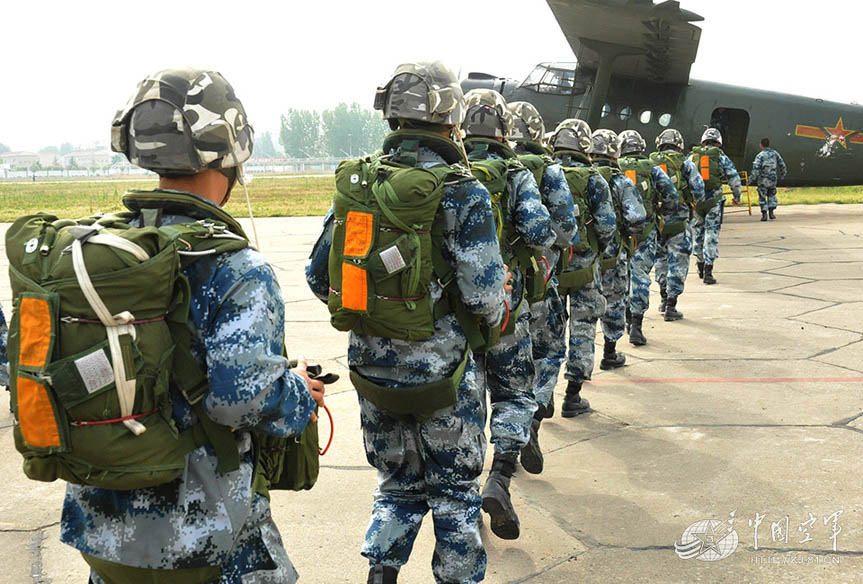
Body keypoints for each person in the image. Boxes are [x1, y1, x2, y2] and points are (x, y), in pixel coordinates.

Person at [61, 68, 323, 584]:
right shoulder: (237, 268)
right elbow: (241, 399)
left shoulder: (101, 253)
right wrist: (299, 392)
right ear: (230, 147)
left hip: (107, 539)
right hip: (208, 543)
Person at [306, 61, 507, 584]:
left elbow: (316, 275)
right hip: (445, 377)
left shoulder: (360, 188)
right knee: (456, 493)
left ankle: (381, 576)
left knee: (396, 485)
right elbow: (485, 296)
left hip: (371, 373)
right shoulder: (463, 190)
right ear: (449, 117)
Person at [461, 89, 555, 540]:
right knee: (515, 395)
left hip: (454, 316)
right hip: (504, 310)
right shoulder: (515, 174)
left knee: (468, 404)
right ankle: (499, 477)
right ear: (502, 129)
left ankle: (464, 510)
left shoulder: (451, 171)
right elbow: (540, 231)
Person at [507, 101, 578, 474]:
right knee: (548, 354)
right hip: (533, 287)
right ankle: (530, 420)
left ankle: (498, 458)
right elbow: (566, 233)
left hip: (479, 294)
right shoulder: (546, 170)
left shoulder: (465, 168)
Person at [550, 119, 616, 417]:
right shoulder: (593, 178)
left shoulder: (540, 173)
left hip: (547, 270)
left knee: (546, 336)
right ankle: (572, 396)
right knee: (582, 329)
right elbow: (607, 226)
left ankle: (542, 396)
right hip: (584, 269)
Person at [617, 130, 679, 345]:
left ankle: (624, 318)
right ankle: (636, 325)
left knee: (621, 275)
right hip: (645, 231)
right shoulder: (652, 168)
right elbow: (671, 195)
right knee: (640, 275)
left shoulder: (615, 166)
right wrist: (664, 211)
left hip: (620, 234)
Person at [590, 129, 646, 365]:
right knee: (614, 301)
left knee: (584, 310)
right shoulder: (621, 181)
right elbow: (636, 217)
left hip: (583, 259)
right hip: (613, 257)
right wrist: (629, 238)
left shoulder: (584, 177)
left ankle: (581, 364)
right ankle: (610, 353)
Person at [650, 128, 706, 320]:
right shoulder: (686, 164)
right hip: (680, 221)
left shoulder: (651, 163)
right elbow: (699, 189)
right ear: (679, 145)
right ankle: (672, 306)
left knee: (661, 260)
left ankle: (663, 298)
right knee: (678, 262)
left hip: (658, 222)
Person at [690, 128, 742, 285]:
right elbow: (734, 178)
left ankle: (699, 265)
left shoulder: (692, 156)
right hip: (714, 201)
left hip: (696, 202)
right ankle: (708, 270)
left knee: (698, 232)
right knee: (711, 234)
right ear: (718, 142)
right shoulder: (721, 157)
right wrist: (737, 196)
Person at [750, 137, 787, 221]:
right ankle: (771, 213)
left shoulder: (760, 155)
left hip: (763, 179)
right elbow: (782, 164)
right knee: (771, 195)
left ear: (761, 145)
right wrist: (783, 174)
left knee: (762, 196)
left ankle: (764, 215)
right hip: (773, 179)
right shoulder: (775, 153)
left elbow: (756, 168)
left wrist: (751, 179)